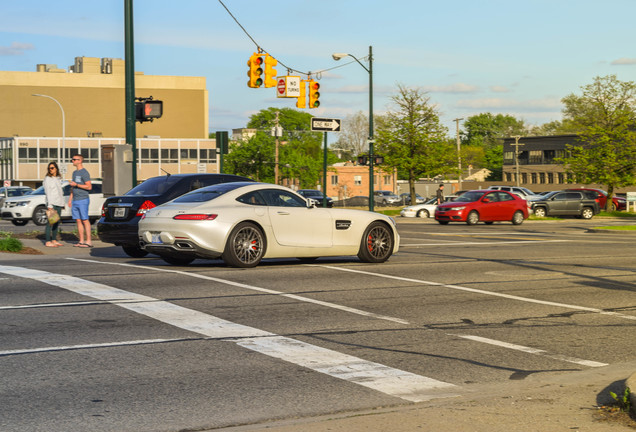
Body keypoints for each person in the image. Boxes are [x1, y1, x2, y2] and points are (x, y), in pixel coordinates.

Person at [68, 154, 93, 248]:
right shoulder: (74, 173)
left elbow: (89, 186)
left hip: (83, 199)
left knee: (85, 220)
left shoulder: (84, 172)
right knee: (78, 221)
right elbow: (73, 187)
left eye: (74, 159)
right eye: (72, 159)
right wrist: (70, 199)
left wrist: (77, 185)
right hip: (75, 200)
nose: (72, 161)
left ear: (80, 161)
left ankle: (89, 241)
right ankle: (81, 241)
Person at [43, 161, 65, 248]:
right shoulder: (48, 179)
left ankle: (54, 240)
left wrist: (62, 203)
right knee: (50, 223)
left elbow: (60, 192)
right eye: (49, 168)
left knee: (56, 222)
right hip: (52, 203)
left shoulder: (58, 178)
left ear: (56, 168)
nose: (50, 170)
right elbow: (48, 192)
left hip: (59, 202)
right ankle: (48, 241)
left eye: (52, 168)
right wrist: (50, 205)